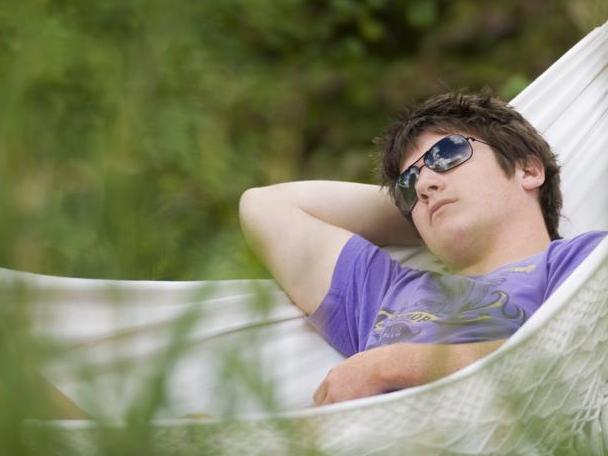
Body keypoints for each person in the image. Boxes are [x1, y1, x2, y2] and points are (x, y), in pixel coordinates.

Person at [238, 91, 606, 406]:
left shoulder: (584, 261)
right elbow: (265, 206)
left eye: (447, 154)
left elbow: (570, 355)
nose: (426, 182)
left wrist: (390, 365)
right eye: (409, 184)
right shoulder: (382, 292)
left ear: (528, 170)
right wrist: (422, 210)